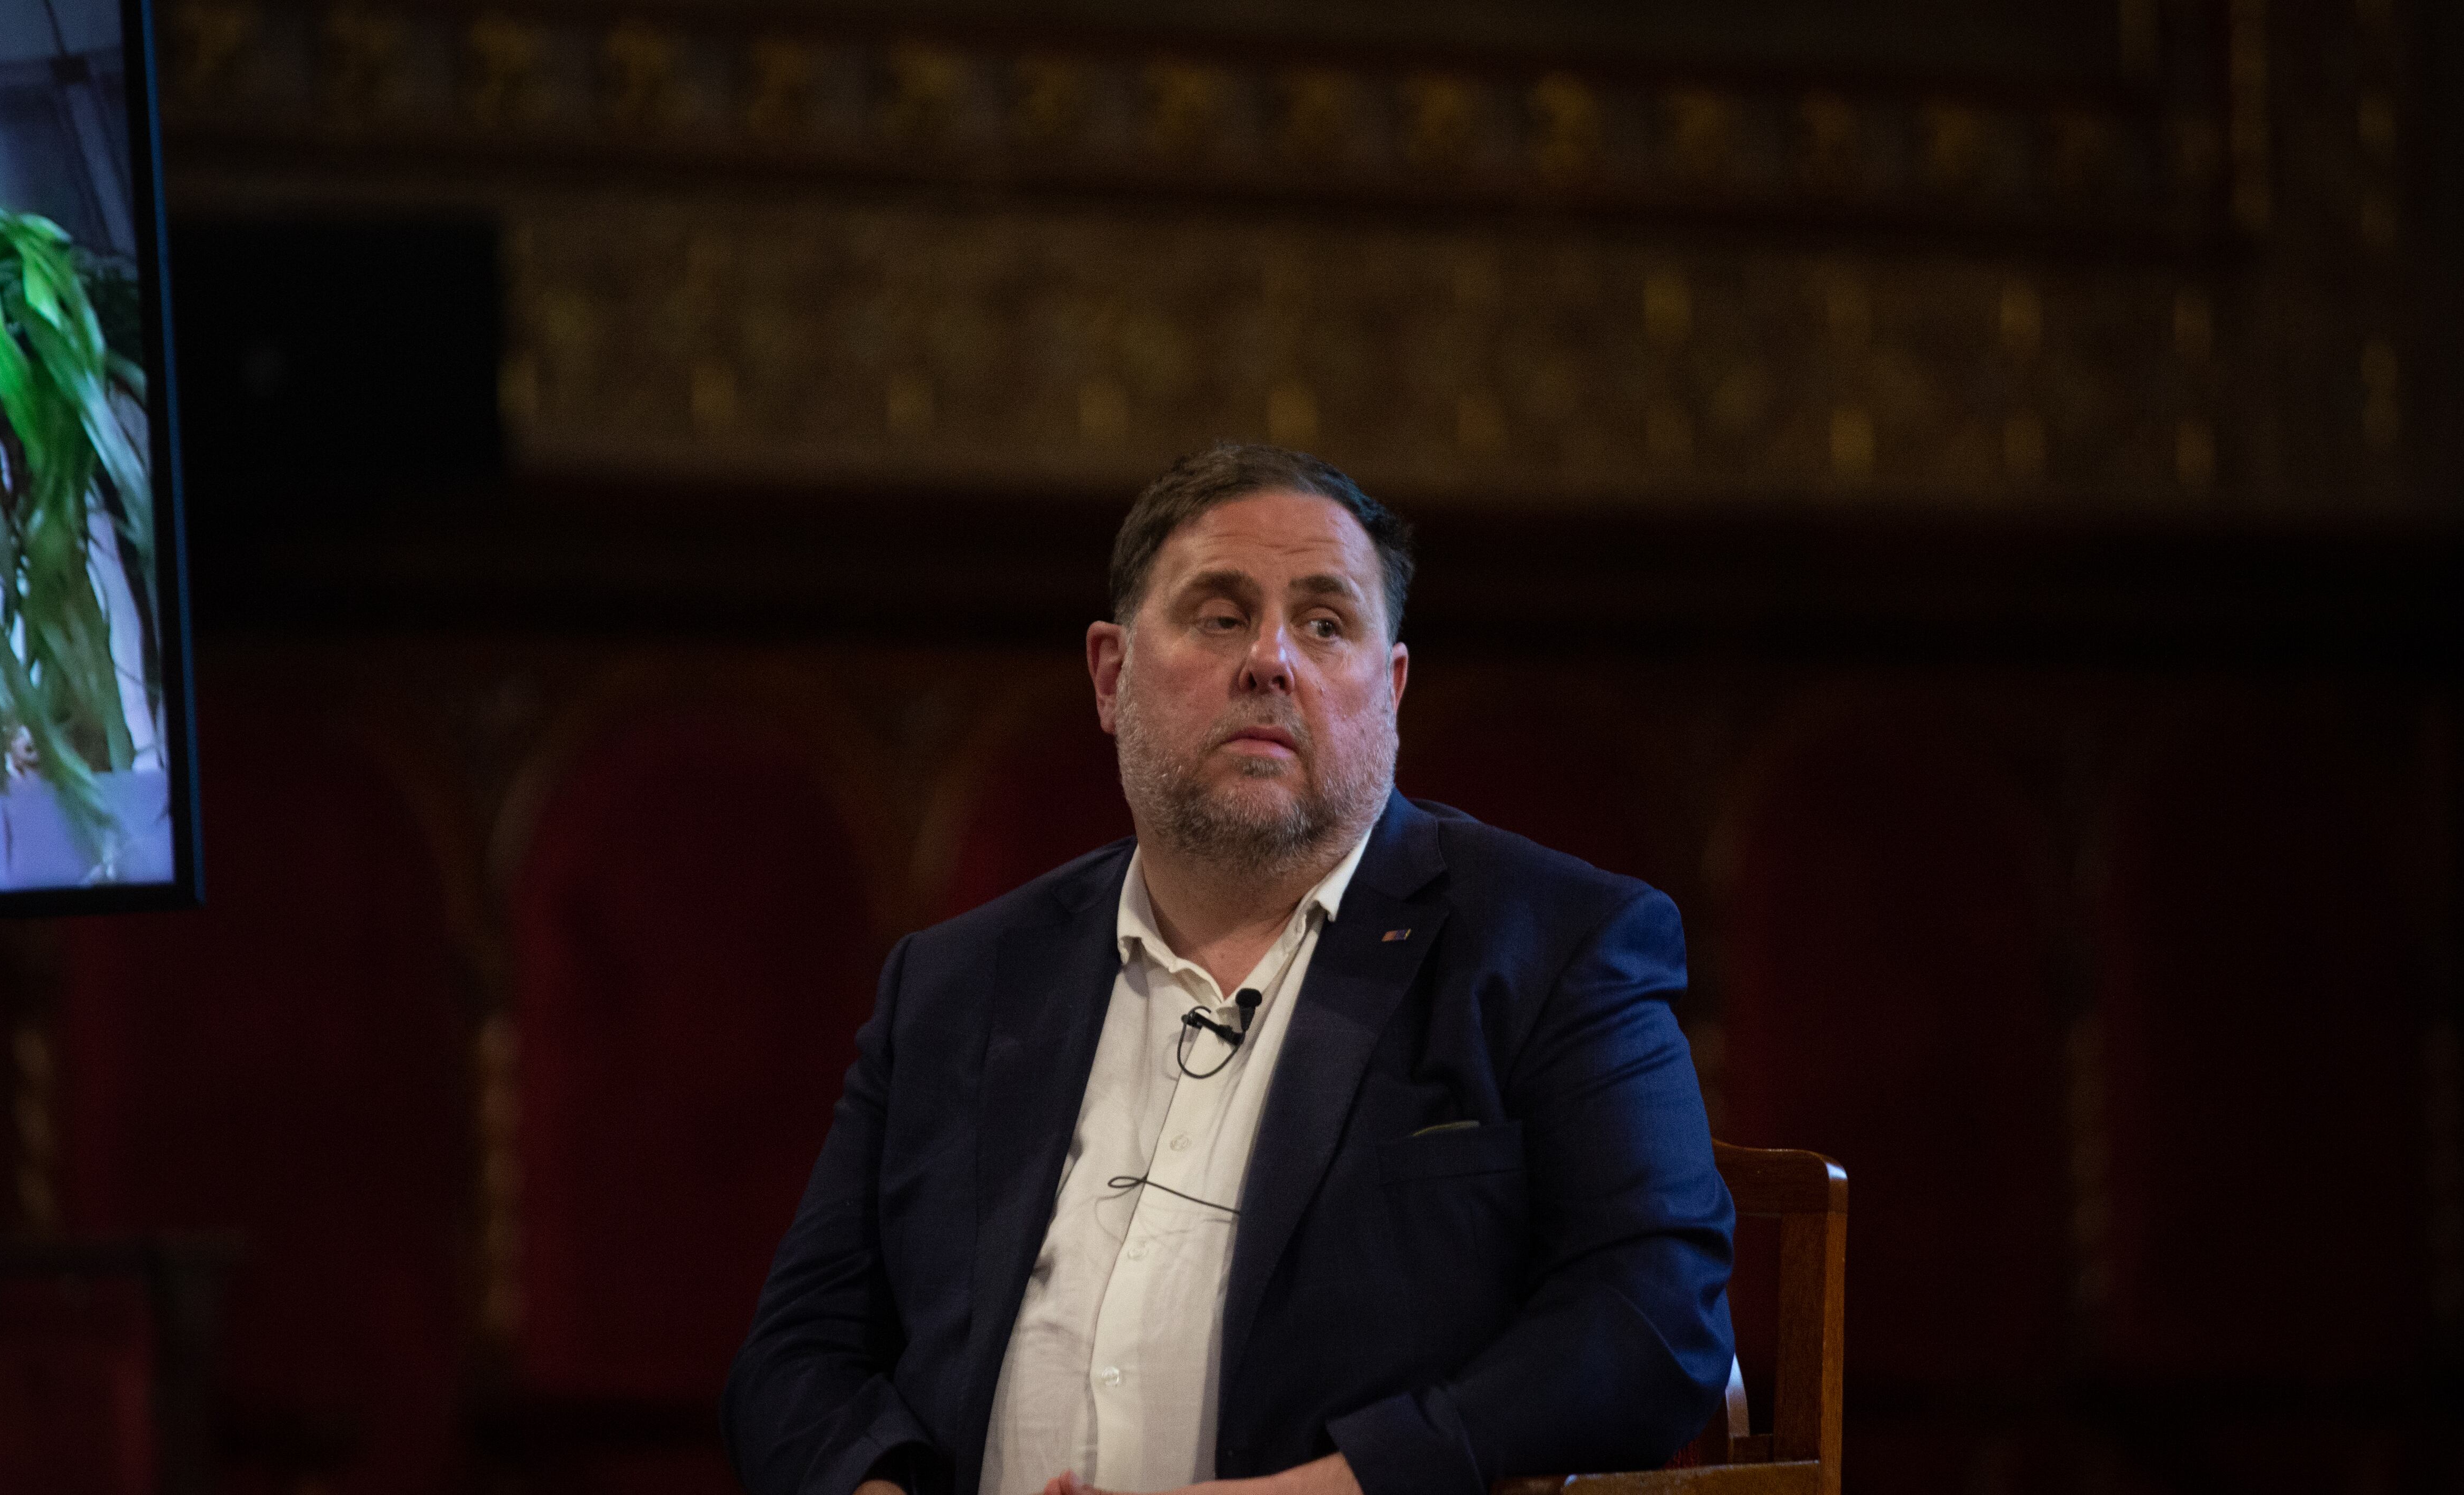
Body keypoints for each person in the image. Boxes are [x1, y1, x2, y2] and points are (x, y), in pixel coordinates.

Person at [724, 443, 1735, 1495]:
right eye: (1219, 615)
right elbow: (796, 1356)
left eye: (1326, 623)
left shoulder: (1553, 944)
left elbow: (1653, 1321)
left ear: (1389, 690)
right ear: (1111, 674)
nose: (1271, 660)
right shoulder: (952, 984)